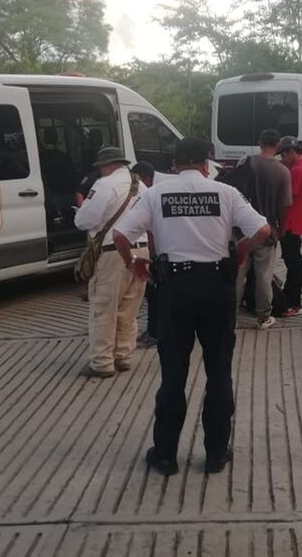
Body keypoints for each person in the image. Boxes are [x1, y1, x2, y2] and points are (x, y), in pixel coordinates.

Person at [111, 138, 271, 475]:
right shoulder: (224, 192)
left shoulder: (154, 195)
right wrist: (241, 247)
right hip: (216, 287)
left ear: (174, 164)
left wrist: (133, 264)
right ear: (204, 164)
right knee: (218, 371)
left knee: (173, 374)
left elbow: (121, 236)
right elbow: (263, 229)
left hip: (175, 289)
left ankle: (166, 455)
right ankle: (215, 454)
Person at [73, 147, 148, 378]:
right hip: (142, 251)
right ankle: (122, 356)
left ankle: (102, 362)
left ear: (107, 166)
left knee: (104, 307)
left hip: (113, 252)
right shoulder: (143, 187)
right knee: (129, 307)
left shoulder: (104, 185)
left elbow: (85, 220)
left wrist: (80, 210)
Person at [235, 129, 292, 329]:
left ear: (260, 143)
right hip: (267, 231)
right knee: (264, 277)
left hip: (241, 230)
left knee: (238, 274)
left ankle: (230, 315)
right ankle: (263, 317)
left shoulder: (246, 163)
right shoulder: (282, 171)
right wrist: (281, 229)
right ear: (278, 146)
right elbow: (285, 205)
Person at [277, 136, 302, 317]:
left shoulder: (298, 170)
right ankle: (289, 297)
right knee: (293, 262)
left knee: (294, 264)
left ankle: (294, 302)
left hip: (291, 223)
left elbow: (287, 197)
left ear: (291, 152)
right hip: (294, 222)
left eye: (283, 155)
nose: (281, 159)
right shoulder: (300, 166)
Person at [132, 161, 160, 349]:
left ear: (146, 179)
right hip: (155, 252)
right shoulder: (150, 195)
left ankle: (155, 332)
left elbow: (152, 230)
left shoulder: (150, 197)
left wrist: (152, 253)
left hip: (155, 253)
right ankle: (151, 329)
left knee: (155, 296)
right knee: (152, 296)